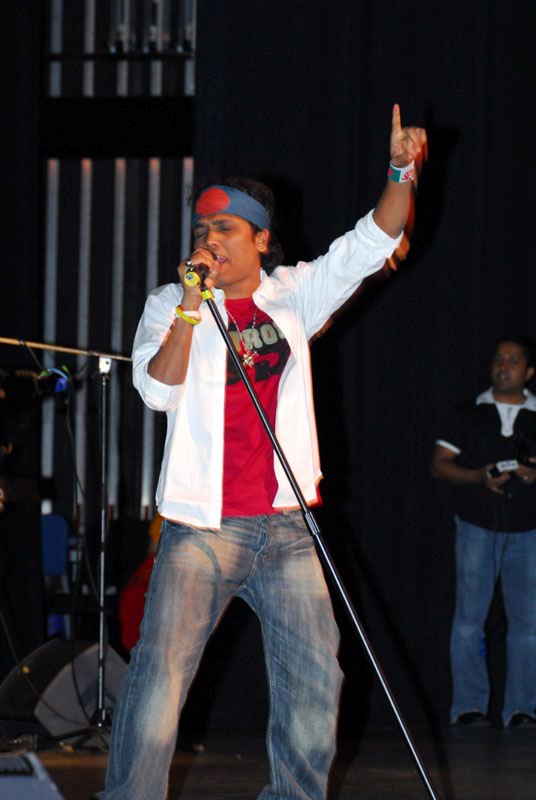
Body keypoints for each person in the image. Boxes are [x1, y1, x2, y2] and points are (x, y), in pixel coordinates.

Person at [101, 105, 426, 800]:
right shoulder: (169, 303)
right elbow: (156, 392)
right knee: (159, 681)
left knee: (316, 682)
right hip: (202, 528)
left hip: (287, 529)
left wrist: (401, 171)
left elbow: (375, 238)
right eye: (201, 229)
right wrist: (191, 307)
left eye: (225, 228)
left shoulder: (295, 296)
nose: (209, 239)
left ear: (261, 239)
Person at [431, 336, 536, 727]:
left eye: (513, 360)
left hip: (529, 531)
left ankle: (523, 708)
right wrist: (478, 476)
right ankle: (469, 707)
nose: (503, 366)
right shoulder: (468, 412)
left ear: (529, 371)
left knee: (528, 623)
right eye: (498, 359)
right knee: (468, 621)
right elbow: (439, 464)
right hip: (476, 527)